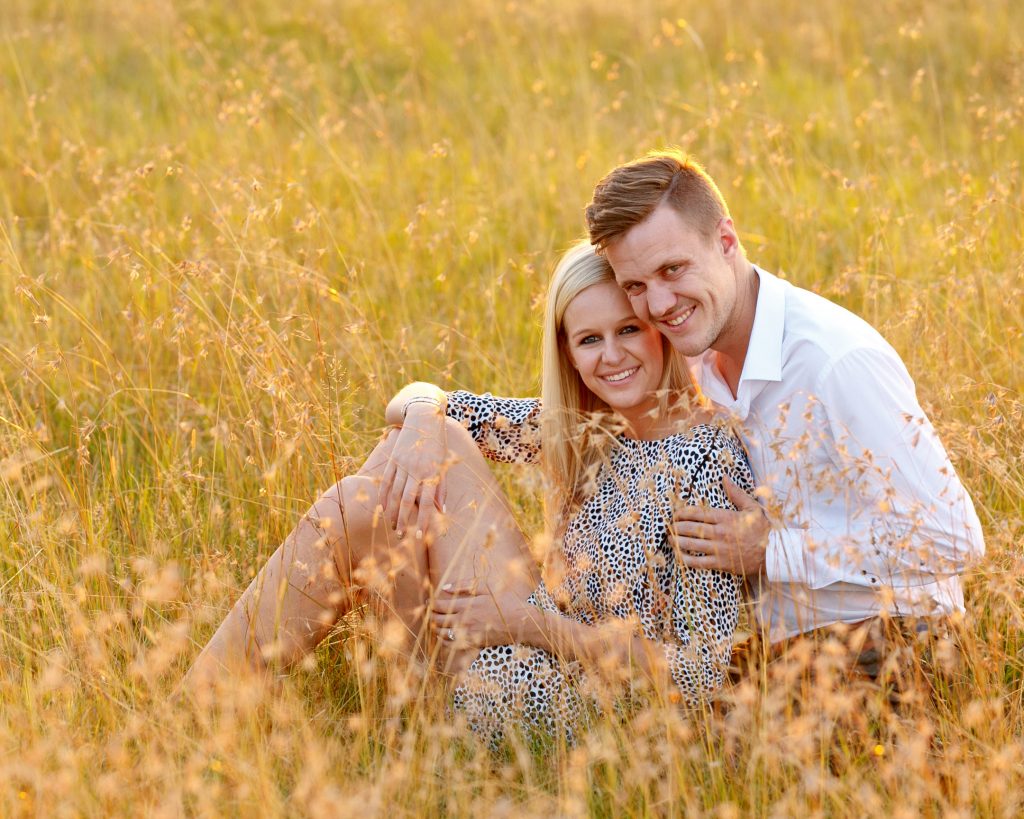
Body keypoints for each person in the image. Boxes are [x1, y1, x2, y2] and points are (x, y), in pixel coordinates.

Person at [186, 241, 755, 747]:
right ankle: (209, 707)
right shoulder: (590, 429)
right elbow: (420, 398)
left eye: (627, 329)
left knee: (378, 487)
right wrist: (419, 422)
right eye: (589, 339)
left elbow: (700, 674)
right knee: (401, 461)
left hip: (585, 709)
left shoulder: (704, 460)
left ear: (660, 328)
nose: (611, 355)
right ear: (569, 354)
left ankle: (197, 709)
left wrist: (524, 624)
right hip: (513, 646)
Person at [583, 150, 985, 680]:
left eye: (672, 269)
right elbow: (589, 417)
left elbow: (951, 536)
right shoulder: (692, 354)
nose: (657, 304)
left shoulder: (834, 362)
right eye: (635, 285)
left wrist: (771, 549)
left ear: (726, 241)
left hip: (892, 640)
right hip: (781, 647)